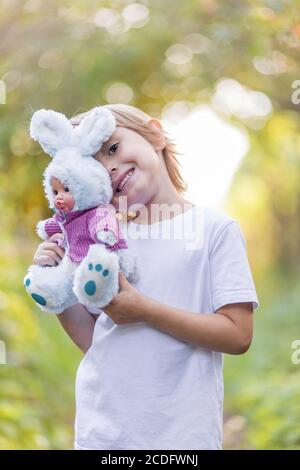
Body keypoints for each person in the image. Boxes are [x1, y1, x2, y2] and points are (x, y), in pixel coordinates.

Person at [32, 103, 259, 450]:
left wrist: (143, 310)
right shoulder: (101, 241)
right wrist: (58, 285)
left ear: (154, 134)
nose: (109, 167)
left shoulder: (215, 230)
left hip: (182, 436)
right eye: (95, 164)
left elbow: (238, 334)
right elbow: (94, 341)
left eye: (112, 148)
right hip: (104, 431)